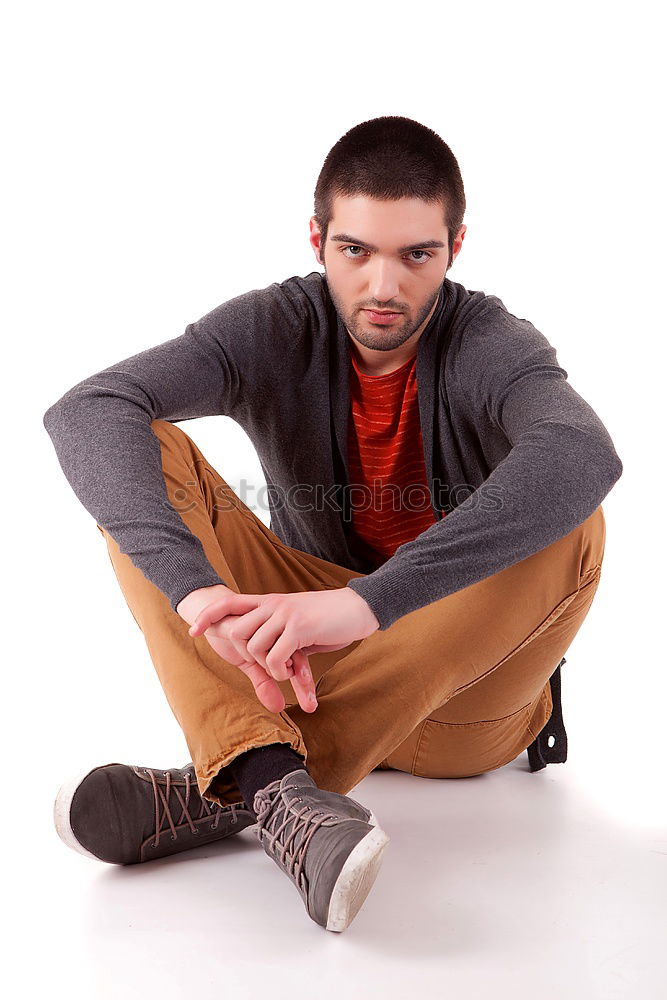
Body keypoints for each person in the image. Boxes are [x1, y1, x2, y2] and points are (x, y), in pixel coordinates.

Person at [43, 115, 623, 933]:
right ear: (317, 239)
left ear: (454, 247)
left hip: (457, 701)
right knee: (144, 450)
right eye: (355, 251)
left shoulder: (491, 342)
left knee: (574, 523)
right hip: (298, 659)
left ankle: (235, 778)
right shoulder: (273, 326)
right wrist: (195, 594)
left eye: (414, 254)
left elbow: (581, 452)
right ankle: (280, 787)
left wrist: (364, 605)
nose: (382, 286)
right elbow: (89, 408)